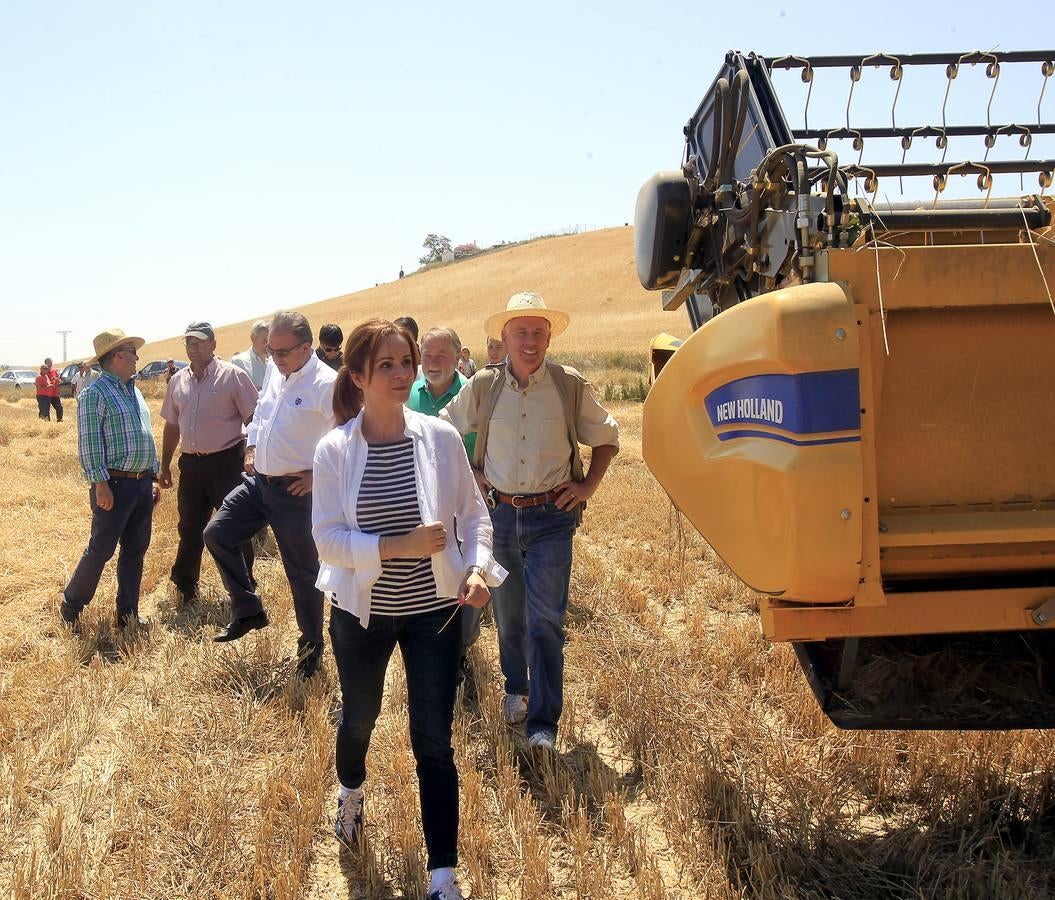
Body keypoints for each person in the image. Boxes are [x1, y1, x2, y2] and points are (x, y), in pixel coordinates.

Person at [312, 318, 504, 900]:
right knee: (359, 718)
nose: (401, 374)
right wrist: (400, 546)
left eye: (406, 362)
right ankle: (350, 791)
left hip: (432, 615)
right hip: (361, 613)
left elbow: (473, 515)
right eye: (386, 365)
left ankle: (443, 875)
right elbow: (327, 540)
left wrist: (478, 568)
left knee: (434, 741)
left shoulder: (440, 438)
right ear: (357, 376)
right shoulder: (335, 450)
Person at [441, 293, 619, 750]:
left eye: (539, 332)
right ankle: (516, 689)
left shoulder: (567, 385)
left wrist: (587, 486)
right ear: (504, 337)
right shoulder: (483, 385)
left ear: (549, 338)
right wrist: (472, 475)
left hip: (552, 517)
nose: (530, 340)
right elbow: (443, 430)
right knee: (508, 617)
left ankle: (543, 724)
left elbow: (607, 436)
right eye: (521, 331)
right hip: (499, 516)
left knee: (546, 621)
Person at [203, 311, 336, 678]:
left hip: (296, 494)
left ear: (307, 347)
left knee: (302, 574)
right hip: (259, 483)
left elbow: (349, 437)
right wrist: (251, 446)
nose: (274, 358)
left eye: (282, 352)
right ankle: (248, 610)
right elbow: (261, 413)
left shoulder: (327, 384)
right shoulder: (278, 372)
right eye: (270, 351)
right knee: (217, 534)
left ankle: (311, 649)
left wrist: (317, 475)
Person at [59, 328, 161, 630]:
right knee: (101, 549)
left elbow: (146, 436)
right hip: (114, 486)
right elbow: (89, 444)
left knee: (135, 551)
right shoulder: (95, 394)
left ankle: (128, 615)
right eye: (132, 352)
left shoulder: (135, 391)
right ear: (117, 356)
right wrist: (100, 485)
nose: (137, 358)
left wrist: (153, 476)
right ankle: (72, 605)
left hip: (141, 484)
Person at [159, 322, 259, 606]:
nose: (193, 348)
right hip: (191, 465)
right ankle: (185, 585)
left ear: (213, 344)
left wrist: (253, 452)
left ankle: (243, 588)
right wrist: (165, 465)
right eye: (189, 342)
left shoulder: (233, 376)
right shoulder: (177, 381)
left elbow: (255, 419)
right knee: (189, 527)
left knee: (233, 527)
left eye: (199, 342)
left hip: (227, 463)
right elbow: (172, 425)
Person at [408, 327, 480, 684]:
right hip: (418, 502)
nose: (433, 363)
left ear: (458, 356)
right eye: (427, 355)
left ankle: (461, 650)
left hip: (461, 500)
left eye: (441, 356)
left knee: (466, 572)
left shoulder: (473, 394)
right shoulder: (408, 392)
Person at [230, 320, 271, 390]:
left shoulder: (274, 362)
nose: (268, 345)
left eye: (270, 341)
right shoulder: (239, 362)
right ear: (253, 338)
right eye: (265, 341)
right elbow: (238, 391)